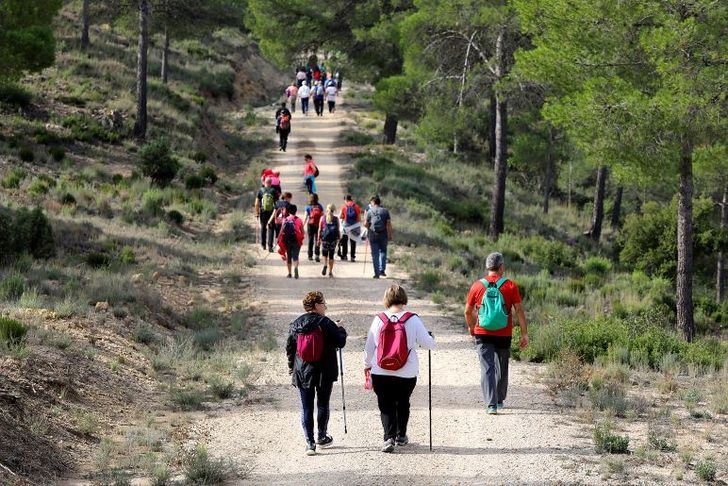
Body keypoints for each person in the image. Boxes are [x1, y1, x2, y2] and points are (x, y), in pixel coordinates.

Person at [364, 284, 435, 453]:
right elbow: (428, 344)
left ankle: (388, 438)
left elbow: (369, 346)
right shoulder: (413, 319)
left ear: (386, 299)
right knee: (403, 402)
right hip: (407, 372)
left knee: (386, 404)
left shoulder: (379, 319)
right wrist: (431, 337)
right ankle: (401, 435)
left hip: (380, 370)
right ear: (404, 299)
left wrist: (367, 364)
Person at [464, 252, 528, 414]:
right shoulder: (510, 285)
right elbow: (519, 310)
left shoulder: (477, 286)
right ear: (501, 267)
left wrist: (472, 327)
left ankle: (491, 404)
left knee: (487, 368)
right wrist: (524, 333)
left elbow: (467, 311)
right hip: (504, 333)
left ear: (487, 268)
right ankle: (499, 400)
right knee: (502, 367)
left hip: (482, 332)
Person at [286, 291, 347, 456]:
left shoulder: (296, 324)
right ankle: (321, 436)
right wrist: (341, 329)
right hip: (324, 372)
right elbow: (340, 342)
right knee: (322, 404)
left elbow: (290, 349)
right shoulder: (326, 323)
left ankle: (309, 443)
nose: (325, 307)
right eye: (323, 304)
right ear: (316, 306)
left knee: (306, 407)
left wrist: (292, 368)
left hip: (303, 371)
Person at [365, 195, 392, 278]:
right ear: (380, 203)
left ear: (373, 202)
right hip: (383, 234)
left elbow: (365, 224)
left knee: (375, 254)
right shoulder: (385, 211)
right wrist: (390, 235)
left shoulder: (369, 211)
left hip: (373, 234)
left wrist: (369, 227)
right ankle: (382, 270)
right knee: (383, 251)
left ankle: (376, 274)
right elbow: (388, 225)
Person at [278, 204, 304, 278]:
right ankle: (296, 268)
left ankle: (289, 273)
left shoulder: (285, 219)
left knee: (289, 256)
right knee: (295, 257)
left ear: (289, 211)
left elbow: (281, 231)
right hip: (296, 240)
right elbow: (302, 232)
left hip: (287, 240)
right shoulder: (299, 220)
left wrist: (279, 240)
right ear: (296, 211)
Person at [255, 177, 280, 251]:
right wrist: (277, 213)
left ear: (264, 182)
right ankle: (270, 246)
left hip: (263, 211)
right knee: (271, 228)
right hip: (271, 212)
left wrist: (257, 213)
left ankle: (263, 245)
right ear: (271, 183)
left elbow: (256, 203)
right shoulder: (274, 191)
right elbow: (277, 203)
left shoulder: (260, 191)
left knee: (263, 227)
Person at [318, 204, 340, 278]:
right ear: (334, 210)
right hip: (333, 239)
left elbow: (320, 229)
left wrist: (318, 239)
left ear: (327, 209)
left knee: (324, 254)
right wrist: (339, 239)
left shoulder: (322, 218)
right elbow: (338, 229)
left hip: (325, 239)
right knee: (331, 256)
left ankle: (325, 264)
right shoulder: (336, 219)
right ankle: (330, 272)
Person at [338, 194, 361, 262]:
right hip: (355, 225)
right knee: (353, 241)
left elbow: (340, 216)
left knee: (345, 240)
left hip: (346, 225)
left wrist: (344, 217)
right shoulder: (356, 206)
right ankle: (352, 257)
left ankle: (344, 256)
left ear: (345, 200)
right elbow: (359, 218)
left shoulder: (344, 206)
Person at [303, 193, 324, 262]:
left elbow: (306, 217)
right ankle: (317, 255)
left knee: (310, 240)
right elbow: (322, 216)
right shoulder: (320, 206)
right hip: (318, 225)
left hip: (310, 224)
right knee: (317, 240)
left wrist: (302, 225)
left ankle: (310, 255)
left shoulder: (308, 207)